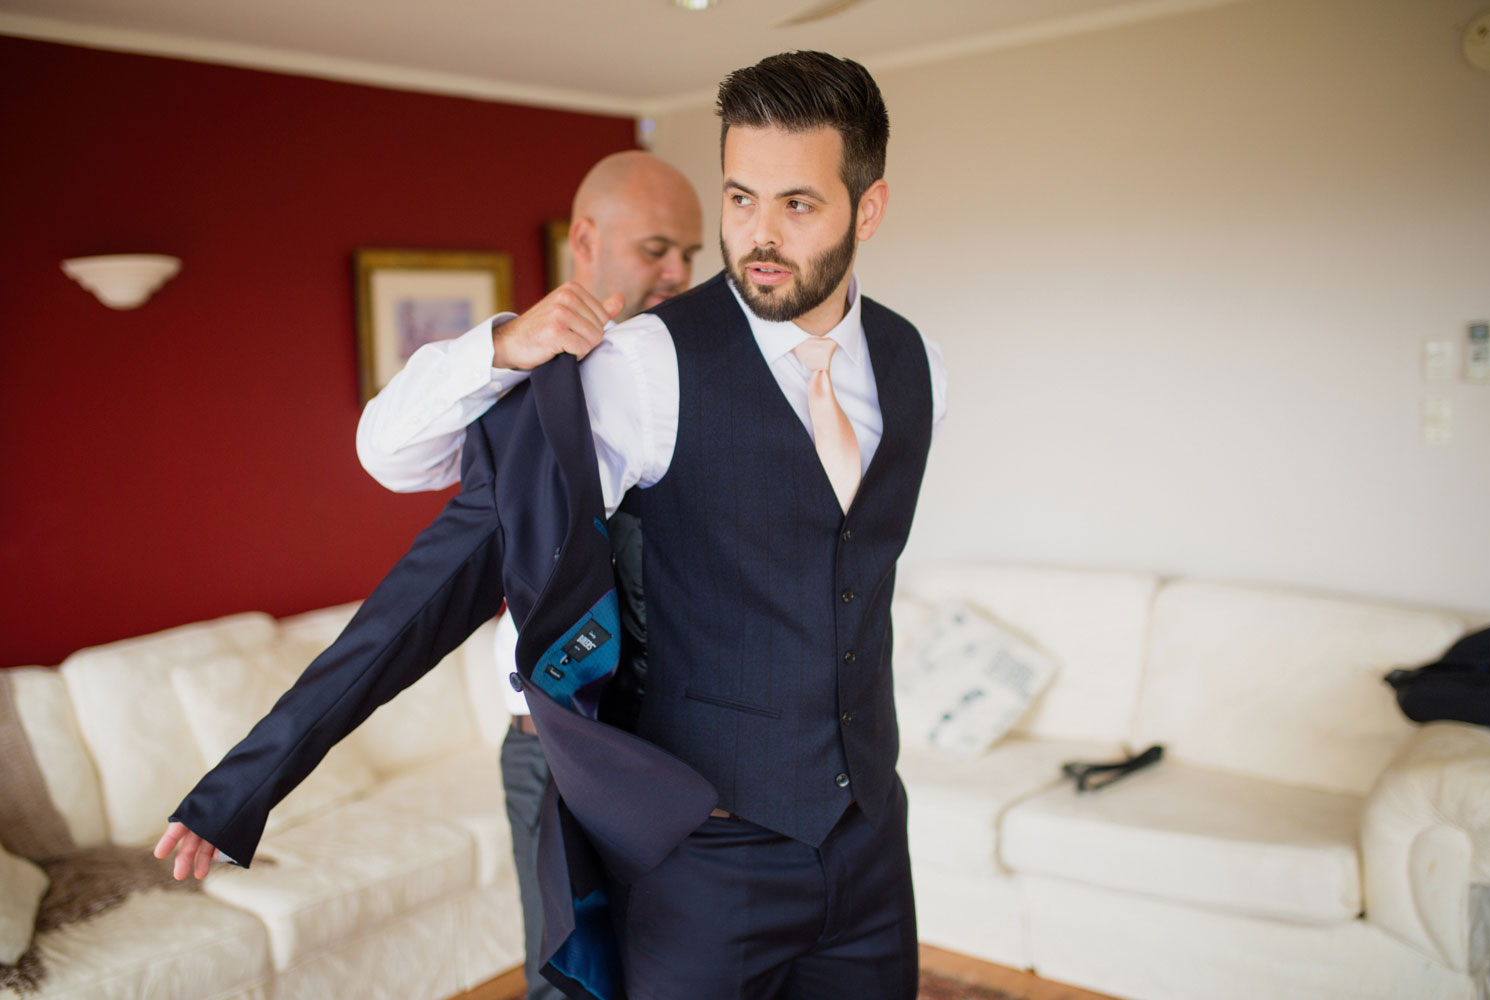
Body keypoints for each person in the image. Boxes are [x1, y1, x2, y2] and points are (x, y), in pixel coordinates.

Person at [158, 50, 946, 1000]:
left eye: (798, 205)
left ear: (869, 209)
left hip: (869, 851)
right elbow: (445, 571)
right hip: (707, 855)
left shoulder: (914, 362)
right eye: (741, 199)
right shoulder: (642, 366)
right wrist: (245, 783)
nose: (759, 238)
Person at [355, 150, 702, 1000]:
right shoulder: (513, 381)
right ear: (585, 239)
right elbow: (387, 454)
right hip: (551, 748)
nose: (679, 272)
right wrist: (507, 344)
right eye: (659, 247)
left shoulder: (703, 373)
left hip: (680, 741)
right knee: (567, 974)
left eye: (692, 254)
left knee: (689, 968)